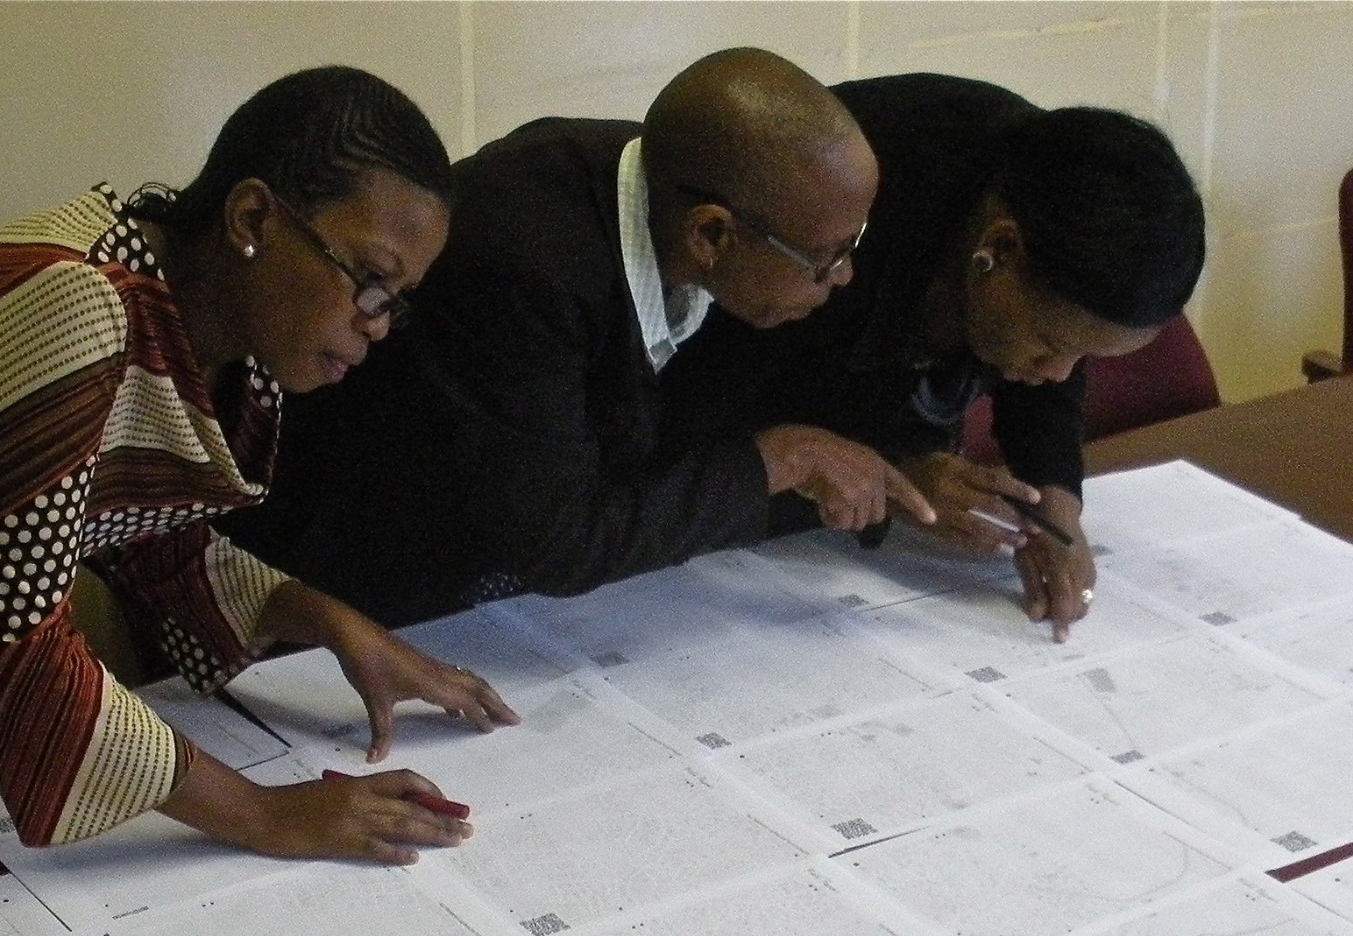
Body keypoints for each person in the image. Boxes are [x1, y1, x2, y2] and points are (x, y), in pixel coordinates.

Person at [0, 66, 516, 864]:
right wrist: (265, 813)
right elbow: (13, 637)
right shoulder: (68, 301)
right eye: (370, 280)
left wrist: (326, 620)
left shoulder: (228, 330)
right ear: (252, 216)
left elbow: (134, 526)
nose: (379, 326)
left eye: (396, 301)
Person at [221, 47, 935, 626]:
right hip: (330, 585)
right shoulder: (526, 265)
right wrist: (778, 460)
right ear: (712, 234)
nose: (842, 278)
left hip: (475, 585)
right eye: (826, 257)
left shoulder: (695, 206)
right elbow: (557, 540)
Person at [664, 73, 1207, 641]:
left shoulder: (1057, 211)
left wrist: (1056, 493)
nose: (1058, 374)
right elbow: (705, 402)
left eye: (1085, 356)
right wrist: (898, 470)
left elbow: (1053, 354)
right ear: (997, 248)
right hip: (714, 545)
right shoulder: (834, 222)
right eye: (1052, 346)